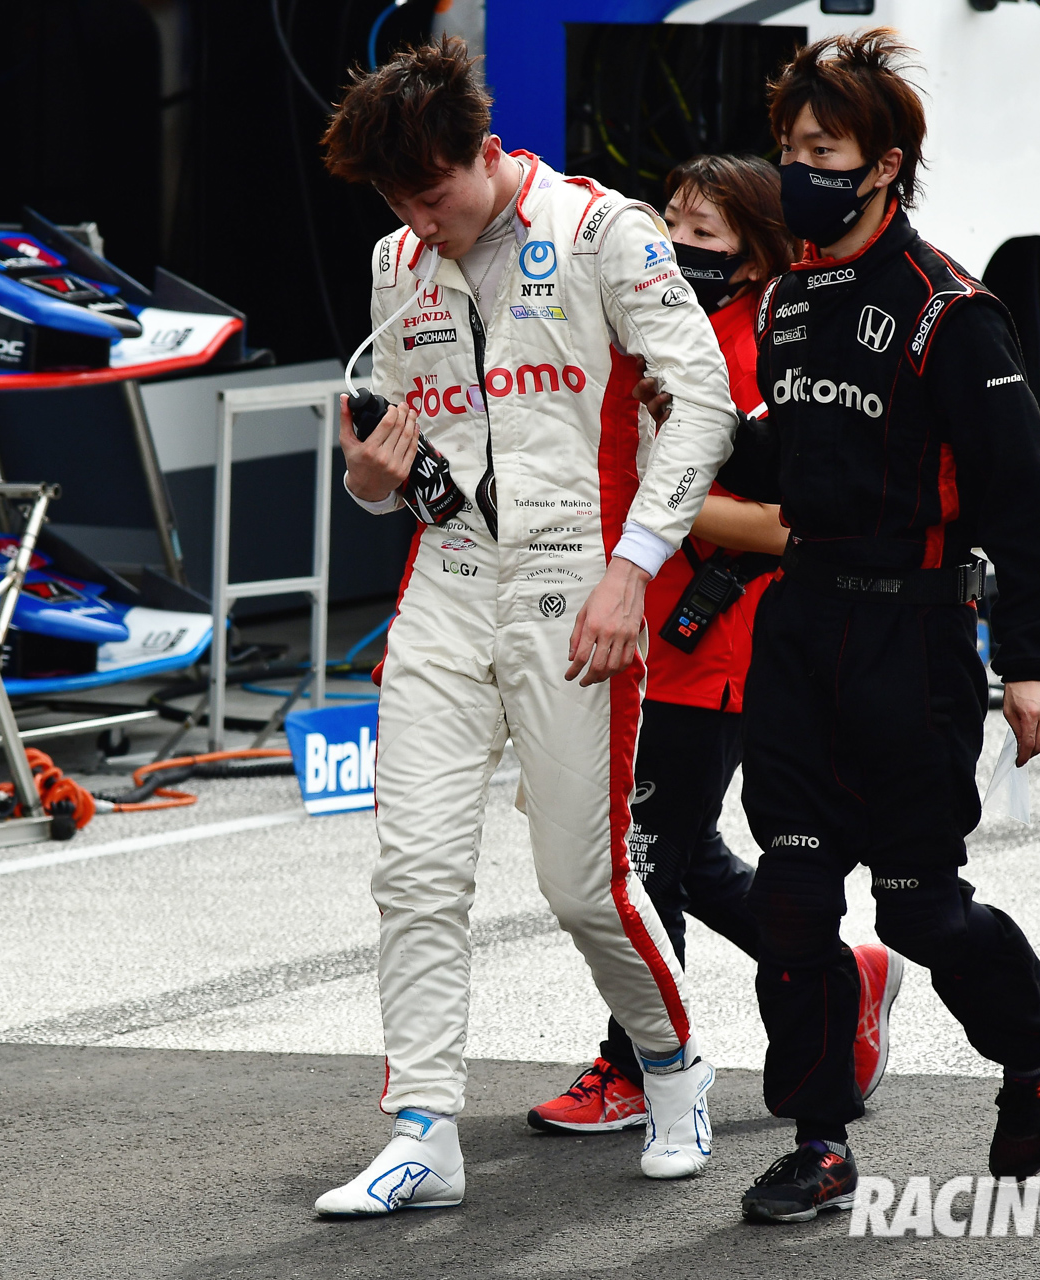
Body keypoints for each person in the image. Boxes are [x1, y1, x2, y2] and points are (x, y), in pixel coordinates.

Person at [312, 38, 739, 1217]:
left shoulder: (605, 231)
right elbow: (399, 459)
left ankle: (673, 1066)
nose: (419, 220)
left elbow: (704, 400)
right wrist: (367, 480)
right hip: (448, 581)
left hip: (577, 583)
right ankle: (422, 1128)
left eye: (432, 193)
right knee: (413, 870)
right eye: (397, 201)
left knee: (583, 882)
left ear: (484, 151)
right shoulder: (398, 262)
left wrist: (633, 569)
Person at [705, 31, 1040, 1225]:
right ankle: (818, 1138)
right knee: (790, 895)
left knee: (917, 906)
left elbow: (1025, 500)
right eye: (791, 148)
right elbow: (795, 455)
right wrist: (707, 437)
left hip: (916, 640)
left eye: (823, 152)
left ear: (884, 166)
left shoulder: (948, 310)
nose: (799, 171)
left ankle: (1039, 1039)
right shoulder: (789, 297)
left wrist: (1027, 661)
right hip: (800, 625)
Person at [525, 154, 904, 1137]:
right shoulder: (645, 324)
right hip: (630, 633)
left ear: (757, 252)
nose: (681, 244)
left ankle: (640, 1066)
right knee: (686, 857)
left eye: (706, 232)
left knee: (642, 860)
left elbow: (792, 523)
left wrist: (672, 494)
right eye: (673, 223)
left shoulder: (766, 349)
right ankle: (845, 975)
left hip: (713, 650)